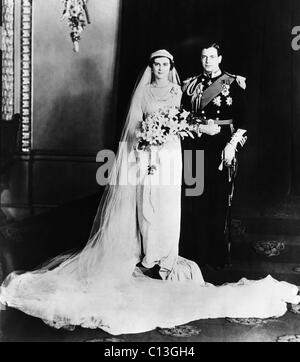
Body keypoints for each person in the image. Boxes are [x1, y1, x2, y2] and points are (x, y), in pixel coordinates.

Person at [0, 50, 299, 336]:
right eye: (156, 65)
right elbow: (134, 129)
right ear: (151, 67)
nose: (161, 69)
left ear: (171, 67)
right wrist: (147, 139)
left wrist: (186, 130)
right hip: (148, 158)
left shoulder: (181, 91)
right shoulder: (144, 93)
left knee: (170, 207)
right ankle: (148, 255)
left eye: (165, 65)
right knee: (147, 206)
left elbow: (187, 120)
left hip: (172, 157)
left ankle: (166, 255)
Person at [180, 42, 247, 269]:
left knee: (218, 203)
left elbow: (244, 121)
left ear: (219, 58)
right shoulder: (190, 86)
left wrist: (232, 146)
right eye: (203, 57)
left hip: (221, 148)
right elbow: (182, 117)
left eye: (211, 57)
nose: (207, 61)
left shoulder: (232, 82)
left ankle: (216, 261)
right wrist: (199, 128)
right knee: (193, 200)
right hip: (194, 147)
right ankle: (193, 257)